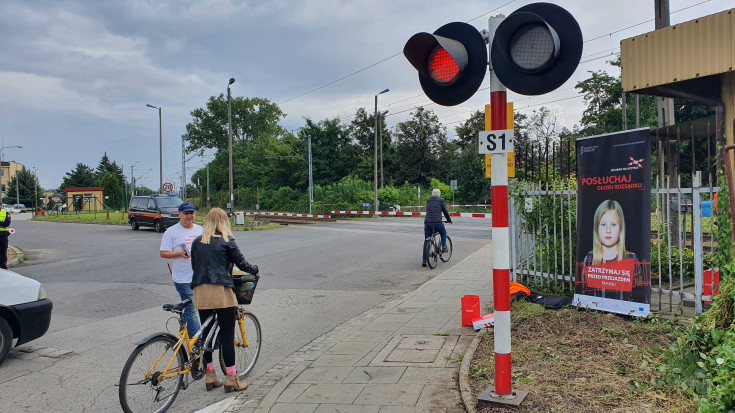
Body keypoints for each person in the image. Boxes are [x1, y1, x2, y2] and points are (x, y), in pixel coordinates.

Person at [190, 207, 260, 392]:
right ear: (224, 222)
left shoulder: (197, 241)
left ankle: (210, 375)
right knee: (228, 334)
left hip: (201, 290)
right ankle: (231, 378)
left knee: (207, 336)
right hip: (221, 291)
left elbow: (195, 266)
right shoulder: (228, 240)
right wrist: (255, 269)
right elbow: (242, 263)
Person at [580, 199, 648, 303]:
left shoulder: (631, 259)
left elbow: (640, 298)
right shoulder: (589, 259)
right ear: (596, 228)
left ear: (621, 228)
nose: (608, 230)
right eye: (603, 224)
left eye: (613, 224)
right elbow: (583, 295)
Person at [160, 202, 203, 336]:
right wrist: (179, 253)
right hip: (183, 278)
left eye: (192, 213)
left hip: (200, 277)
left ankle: (184, 327)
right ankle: (197, 345)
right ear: (179, 214)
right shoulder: (171, 232)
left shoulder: (200, 230)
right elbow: (163, 253)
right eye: (186, 213)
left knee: (197, 308)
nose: (189, 216)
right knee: (192, 310)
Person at [422, 188, 452, 267]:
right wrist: (449, 220)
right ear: (439, 194)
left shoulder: (428, 200)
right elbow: (445, 211)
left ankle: (424, 260)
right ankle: (444, 247)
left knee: (427, 240)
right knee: (443, 232)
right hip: (437, 223)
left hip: (427, 223)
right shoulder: (441, 200)